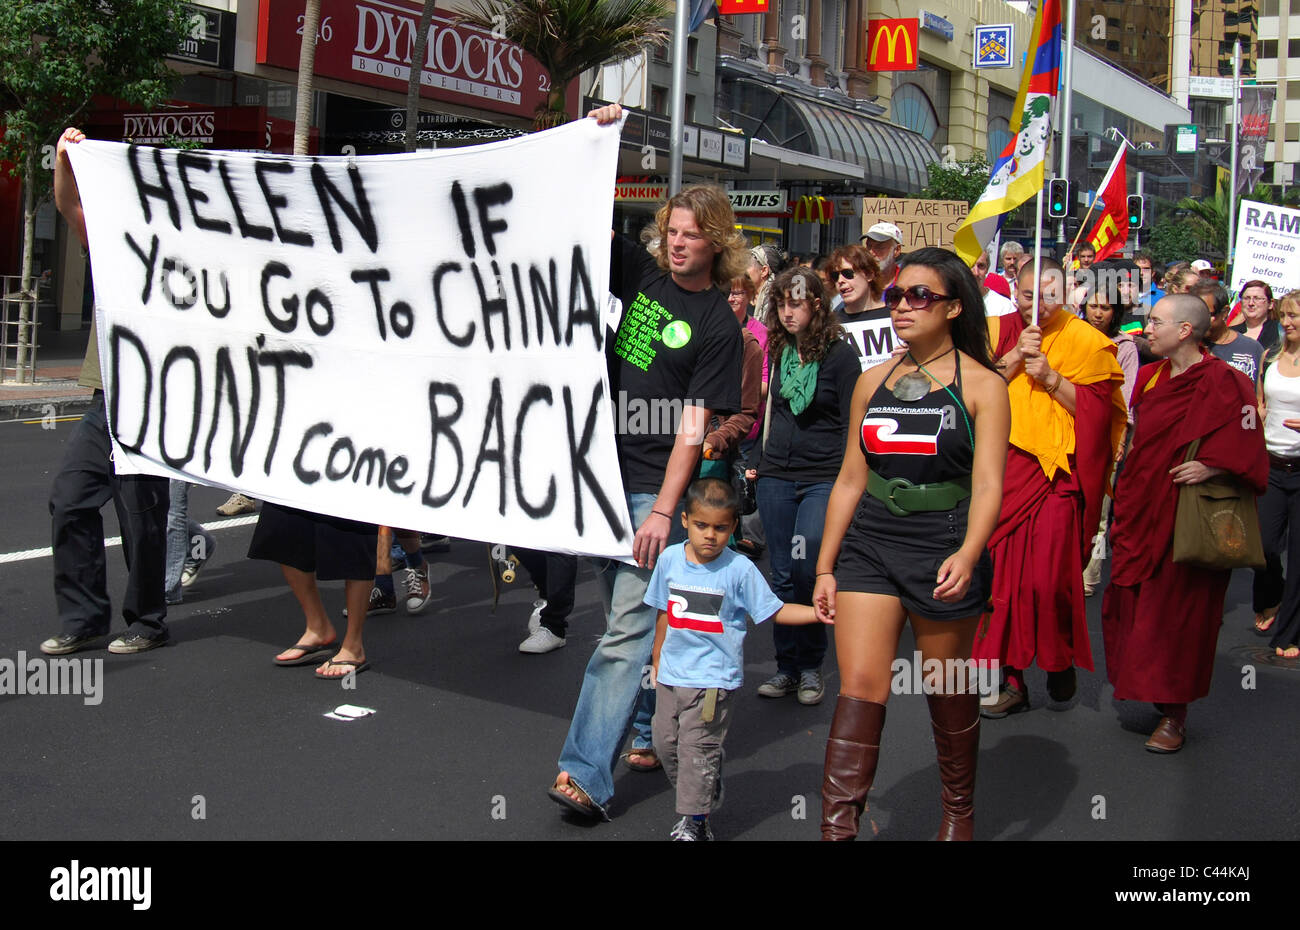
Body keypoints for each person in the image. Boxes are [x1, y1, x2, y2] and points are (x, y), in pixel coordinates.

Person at [547, 103, 746, 821]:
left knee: (626, 629)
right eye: (671, 232)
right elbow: (580, 215)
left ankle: (584, 776)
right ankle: (639, 728)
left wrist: (665, 508)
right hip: (599, 475)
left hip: (649, 491)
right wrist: (600, 135)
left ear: (717, 243)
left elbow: (695, 426)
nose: (679, 243)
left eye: (692, 235)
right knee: (620, 619)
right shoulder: (642, 276)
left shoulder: (721, 326)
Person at [813, 247, 1010, 841]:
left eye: (919, 296)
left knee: (945, 686)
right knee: (861, 688)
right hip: (870, 544)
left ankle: (958, 812)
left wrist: (969, 553)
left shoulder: (983, 385)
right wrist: (824, 566)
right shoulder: (871, 380)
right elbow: (850, 477)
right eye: (897, 295)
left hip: (943, 544)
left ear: (952, 308)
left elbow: (988, 485)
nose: (902, 306)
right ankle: (837, 830)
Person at [1102, 294, 1268, 750]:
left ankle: (1175, 714)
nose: (1146, 329)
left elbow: (1250, 443)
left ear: (1185, 331)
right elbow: (1141, 435)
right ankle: (1148, 685)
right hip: (1142, 506)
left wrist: (1212, 467)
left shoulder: (1226, 382)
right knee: (1137, 602)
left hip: (1189, 512)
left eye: (1155, 322)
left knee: (1181, 614)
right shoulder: (1152, 378)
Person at [40, 126, 171, 657]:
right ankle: (85, 617)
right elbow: (70, 204)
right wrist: (65, 158)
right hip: (105, 400)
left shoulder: (186, 259)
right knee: (69, 500)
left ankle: (148, 621)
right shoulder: (113, 239)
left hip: (156, 404)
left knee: (140, 518)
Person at [975, 258, 1127, 716]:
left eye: (1047, 296)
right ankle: (1009, 678)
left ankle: (1058, 658)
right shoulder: (994, 330)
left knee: (1046, 582)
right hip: (999, 472)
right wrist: (1017, 357)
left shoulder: (1087, 342)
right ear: (1014, 294)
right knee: (997, 584)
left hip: (1055, 477)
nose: (1036, 305)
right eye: (1026, 296)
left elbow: (1099, 417)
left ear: (1068, 296)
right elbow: (971, 389)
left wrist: (1052, 378)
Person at [647, 478, 825, 840]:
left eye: (721, 528)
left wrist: (815, 614)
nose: (710, 535)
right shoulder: (669, 560)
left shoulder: (739, 570)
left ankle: (696, 822)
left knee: (696, 750)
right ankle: (705, 781)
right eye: (701, 525)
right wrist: (655, 660)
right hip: (670, 676)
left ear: (732, 527)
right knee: (665, 744)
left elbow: (774, 611)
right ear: (685, 521)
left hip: (714, 681)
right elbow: (663, 613)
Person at [753, 266, 860, 707]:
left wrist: (850, 476)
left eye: (795, 303)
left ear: (817, 305)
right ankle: (786, 668)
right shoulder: (780, 349)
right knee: (780, 573)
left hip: (822, 477)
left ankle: (812, 663)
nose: (786, 312)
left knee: (808, 567)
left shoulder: (839, 354)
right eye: (780, 304)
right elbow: (774, 409)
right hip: (777, 474)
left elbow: (854, 420)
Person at [1078, 283, 1140, 597]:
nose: (1098, 313)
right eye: (1093, 306)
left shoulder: (1125, 347)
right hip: (1071, 433)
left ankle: (1089, 576)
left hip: (1106, 437)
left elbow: (1125, 401)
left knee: (1100, 514)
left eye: (1105, 308)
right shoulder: (1071, 337)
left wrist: (1120, 440)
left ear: (1115, 312)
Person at [1258, 292, 1300, 653]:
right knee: (1265, 547)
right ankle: (1276, 596)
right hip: (1271, 465)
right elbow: (1261, 403)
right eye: (1284, 315)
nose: (1287, 322)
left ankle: (1289, 634)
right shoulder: (1270, 354)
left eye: (1295, 316)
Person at [1190, 281, 1264, 385]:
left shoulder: (1251, 349)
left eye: (1206, 314)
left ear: (1224, 312)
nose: (1199, 321)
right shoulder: (1185, 347)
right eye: (1193, 315)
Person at [165, 480, 216, 605]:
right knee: (156, 507)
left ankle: (169, 589)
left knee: (172, 508)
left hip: (177, 461)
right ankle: (201, 541)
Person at [829, 244, 886, 325]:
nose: (840, 280)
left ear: (869, 275)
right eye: (835, 276)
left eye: (848, 273)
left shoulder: (893, 318)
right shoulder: (831, 326)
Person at [1232, 280, 1279, 352]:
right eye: (1246, 298)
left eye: (1257, 298)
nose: (1251, 303)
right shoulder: (1230, 333)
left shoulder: (1280, 332)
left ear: (1270, 304)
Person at [972, 248, 1016, 318]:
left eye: (981, 266)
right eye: (970, 265)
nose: (976, 273)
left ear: (987, 270)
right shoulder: (949, 304)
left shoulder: (1004, 307)